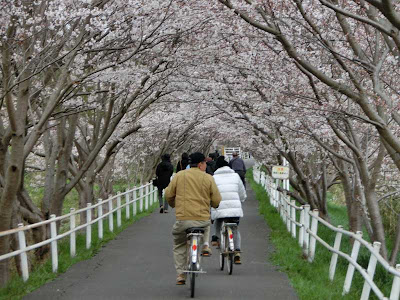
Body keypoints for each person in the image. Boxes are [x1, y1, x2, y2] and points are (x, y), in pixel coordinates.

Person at [165, 152, 222, 285]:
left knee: (179, 244)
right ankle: (205, 245)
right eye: (205, 163)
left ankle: (180, 274)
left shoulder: (179, 175)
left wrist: (174, 204)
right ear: (201, 164)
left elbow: (168, 194)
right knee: (207, 224)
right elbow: (216, 199)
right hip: (202, 220)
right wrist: (214, 204)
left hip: (183, 219)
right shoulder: (208, 178)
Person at [211, 156, 247, 264]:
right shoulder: (236, 176)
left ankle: (216, 238)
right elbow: (242, 193)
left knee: (218, 220)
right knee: (235, 228)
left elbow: (211, 194)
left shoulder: (213, 178)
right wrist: (242, 199)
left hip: (219, 207)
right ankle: (237, 251)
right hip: (234, 209)